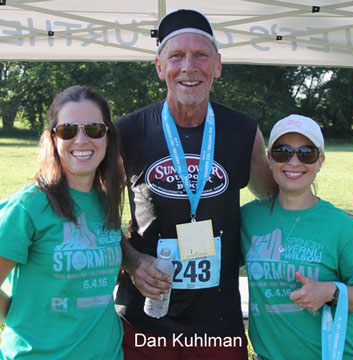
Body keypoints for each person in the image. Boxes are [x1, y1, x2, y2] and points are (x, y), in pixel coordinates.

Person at [114, 9, 276, 359]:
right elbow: (100, 217)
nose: (189, 66)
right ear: (160, 66)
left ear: (217, 65)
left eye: (201, 55)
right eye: (176, 56)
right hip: (146, 320)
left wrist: (329, 221)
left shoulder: (243, 132)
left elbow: (279, 199)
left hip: (217, 325)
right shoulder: (127, 132)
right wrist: (131, 261)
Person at [0, 86, 125, 359]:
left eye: (94, 129)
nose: (81, 140)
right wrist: (19, 316)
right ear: (52, 139)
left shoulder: (107, 201)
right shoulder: (28, 206)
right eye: (68, 130)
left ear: (107, 137)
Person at [241, 115, 353, 359]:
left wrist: (330, 292)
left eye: (306, 153)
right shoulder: (248, 219)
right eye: (283, 152)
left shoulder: (341, 226)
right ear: (270, 158)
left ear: (320, 161)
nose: (294, 162)